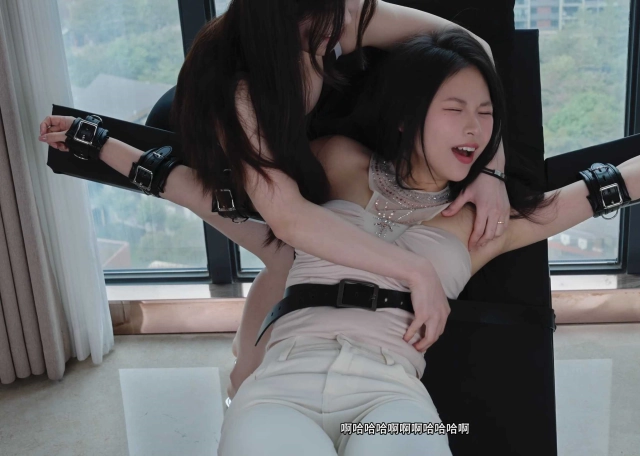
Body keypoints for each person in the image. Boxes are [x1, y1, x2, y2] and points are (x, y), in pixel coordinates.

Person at [38, 0, 514, 398]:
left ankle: (244, 371)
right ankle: (243, 376)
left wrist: (492, 168)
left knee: (297, 251)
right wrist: (416, 270)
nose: (340, 27)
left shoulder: (342, 14)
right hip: (227, 145)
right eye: (317, 34)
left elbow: (475, 48)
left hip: (319, 128)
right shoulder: (238, 90)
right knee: (289, 255)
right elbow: (290, 221)